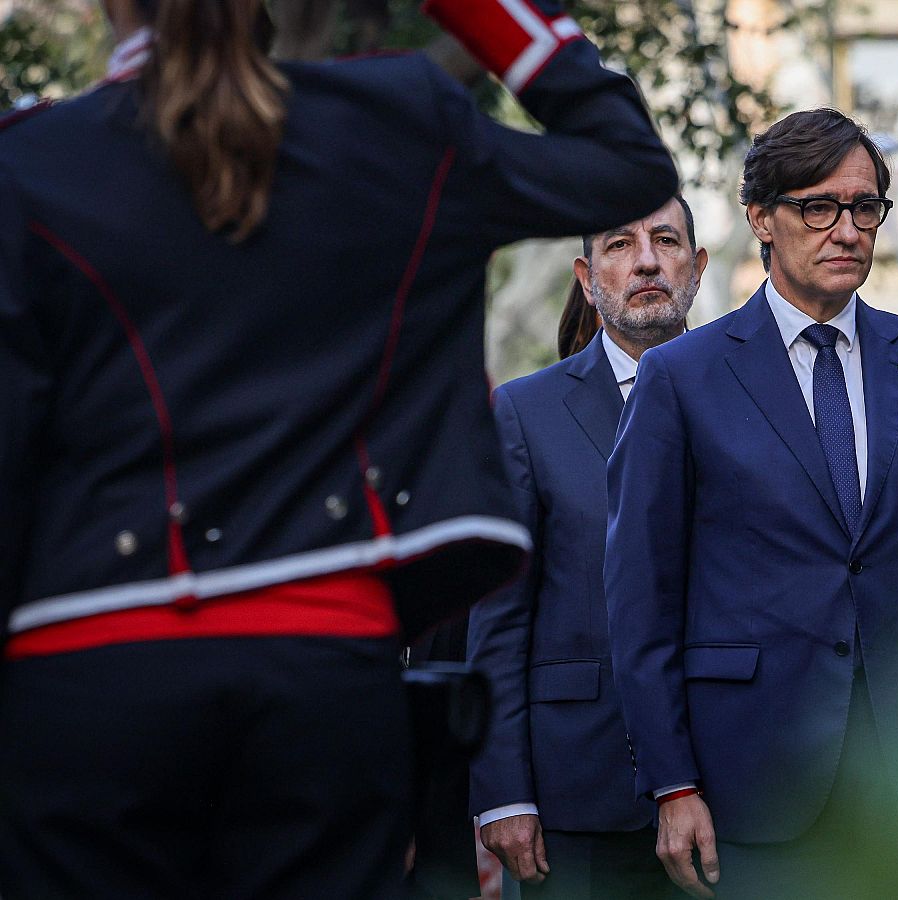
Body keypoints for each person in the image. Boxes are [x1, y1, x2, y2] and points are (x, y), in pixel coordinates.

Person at [0, 0, 677, 895]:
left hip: (89, 672)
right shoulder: (394, 122)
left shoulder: (29, 162)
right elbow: (627, 164)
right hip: (323, 669)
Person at [604, 108, 898, 899]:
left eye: (865, 208)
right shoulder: (681, 378)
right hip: (753, 783)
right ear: (760, 217)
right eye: (818, 207)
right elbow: (641, 601)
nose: (847, 230)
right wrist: (671, 783)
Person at [469, 196, 705, 899]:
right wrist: (503, 792)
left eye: (666, 240)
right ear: (585, 274)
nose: (646, 260)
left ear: (697, 266)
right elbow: (499, 615)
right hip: (574, 794)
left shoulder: (745, 394)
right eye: (619, 244)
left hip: (731, 786)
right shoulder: (525, 410)